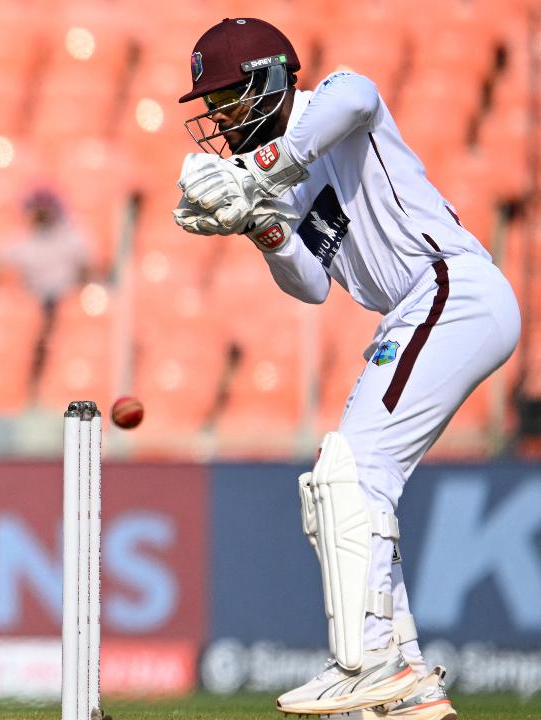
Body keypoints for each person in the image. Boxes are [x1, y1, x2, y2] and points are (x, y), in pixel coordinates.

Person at [173, 18, 519, 719]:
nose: (218, 119)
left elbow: (359, 94)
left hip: (450, 287)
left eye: (227, 101)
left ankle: (365, 662)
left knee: (351, 471)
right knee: (354, 484)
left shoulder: (325, 105)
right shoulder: (286, 168)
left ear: (269, 82)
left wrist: (259, 173)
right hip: (420, 309)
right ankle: (408, 683)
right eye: (211, 108)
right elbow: (311, 285)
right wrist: (260, 225)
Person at [0, 188, 93, 398]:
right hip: (32, 305)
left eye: (45, 207)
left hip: (63, 303)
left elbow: (89, 272)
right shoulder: (22, 240)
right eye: (37, 207)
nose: (41, 212)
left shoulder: (71, 237)